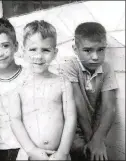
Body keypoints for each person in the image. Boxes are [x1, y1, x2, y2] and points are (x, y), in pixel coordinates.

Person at [8, 20, 77, 160]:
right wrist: (31, 150)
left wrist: (63, 153)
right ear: (23, 52)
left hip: (58, 155)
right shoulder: (17, 86)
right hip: (28, 155)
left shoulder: (63, 83)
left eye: (45, 50)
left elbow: (71, 118)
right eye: (33, 49)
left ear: (55, 53)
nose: (38, 56)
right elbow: (15, 120)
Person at [60, 22, 118, 160]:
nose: (95, 57)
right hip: (70, 130)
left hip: (93, 130)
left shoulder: (107, 68)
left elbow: (109, 108)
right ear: (75, 49)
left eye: (101, 50)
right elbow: (78, 105)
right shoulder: (70, 66)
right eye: (88, 50)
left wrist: (97, 140)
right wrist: (92, 140)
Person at [0, 18, 30, 161]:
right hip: (4, 149)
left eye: (5, 45)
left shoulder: (30, 76)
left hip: (32, 146)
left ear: (15, 46)